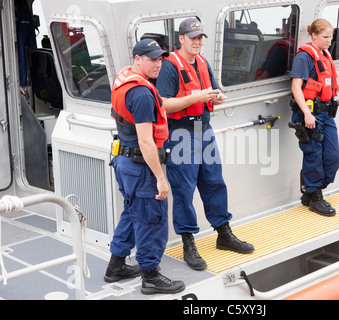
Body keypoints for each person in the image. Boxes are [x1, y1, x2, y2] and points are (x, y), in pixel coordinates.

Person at [156, 17, 254, 271]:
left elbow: (211, 89)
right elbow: (164, 104)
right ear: (181, 39)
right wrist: (196, 97)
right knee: (184, 189)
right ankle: (188, 242)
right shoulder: (169, 66)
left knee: (214, 182)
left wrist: (217, 97)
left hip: (204, 129)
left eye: (200, 38)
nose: (197, 42)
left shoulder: (201, 62)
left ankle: (223, 233)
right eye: (193, 38)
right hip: (180, 133)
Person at [105, 39, 185, 295]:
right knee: (151, 219)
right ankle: (150, 276)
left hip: (125, 162)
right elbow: (145, 140)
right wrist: (161, 178)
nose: (158, 64)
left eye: (160, 59)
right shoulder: (140, 93)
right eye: (152, 59)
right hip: (140, 166)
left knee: (132, 212)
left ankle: (115, 266)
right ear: (137, 59)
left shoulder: (126, 79)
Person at [290, 19, 339, 216]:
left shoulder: (324, 54)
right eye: (325, 37)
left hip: (326, 114)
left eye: (331, 37)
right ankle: (315, 196)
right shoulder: (304, 57)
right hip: (311, 114)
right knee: (313, 154)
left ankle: (311, 193)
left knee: (332, 157)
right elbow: (296, 87)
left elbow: (327, 76)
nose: (330, 41)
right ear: (314, 35)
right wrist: (307, 114)